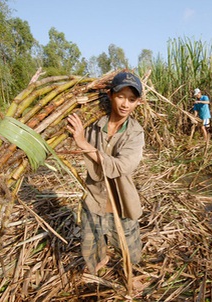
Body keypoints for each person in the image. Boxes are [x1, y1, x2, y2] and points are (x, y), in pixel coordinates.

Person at [67, 71, 144, 275]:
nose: (125, 104)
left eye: (132, 99)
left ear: (138, 102)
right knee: (90, 247)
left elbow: (121, 167)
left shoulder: (135, 133)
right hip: (95, 199)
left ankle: (129, 274)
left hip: (122, 203)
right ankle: (97, 266)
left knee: (130, 252)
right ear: (110, 95)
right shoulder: (94, 124)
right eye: (121, 97)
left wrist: (84, 145)